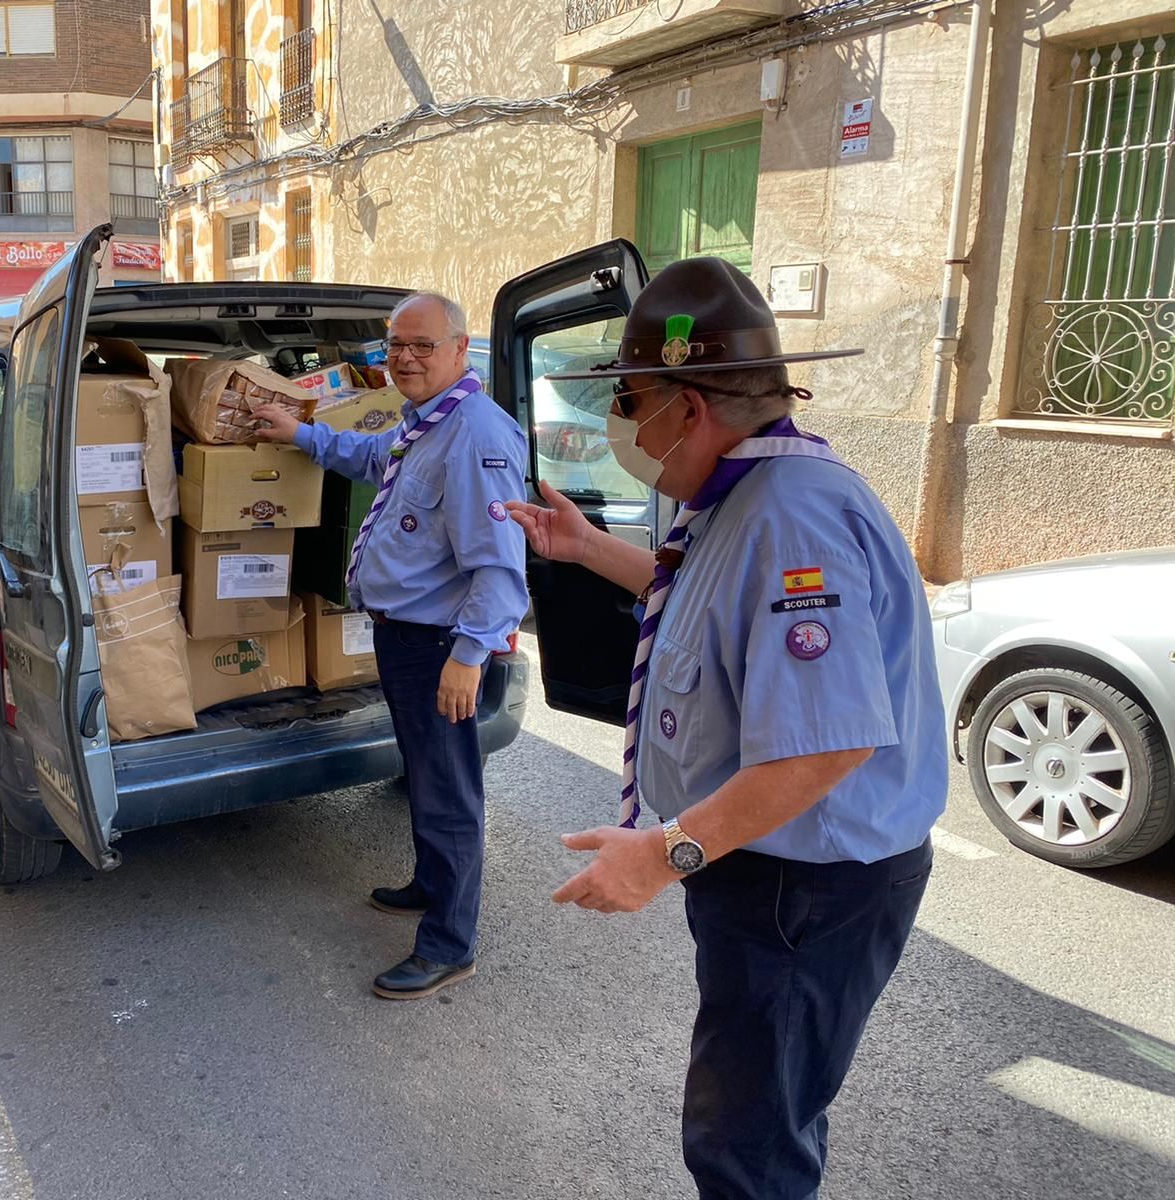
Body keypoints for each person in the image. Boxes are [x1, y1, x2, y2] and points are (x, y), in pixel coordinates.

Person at [508, 257, 944, 1199]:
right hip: (772, 871)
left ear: (689, 409)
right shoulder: (744, 498)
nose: (620, 422)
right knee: (753, 1117)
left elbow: (830, 742)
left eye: (628, 399)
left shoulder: (792, 520)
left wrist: (662, 855)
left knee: (747, 1145)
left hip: (805, 889)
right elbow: (697, 604)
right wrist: (587, 549)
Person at [254, 293, 528, 1000]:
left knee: (449, 792)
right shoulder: (423, 426)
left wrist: (467, 658)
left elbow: (499, 568)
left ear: (461, 349)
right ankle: (431, 885)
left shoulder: (476, 436)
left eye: (422, 346)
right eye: (394, 345)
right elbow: (375, 459)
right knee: (427, 775)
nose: (404, 357)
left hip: (441, 645)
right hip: (406, 638)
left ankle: (449, 944)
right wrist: (301, 433)